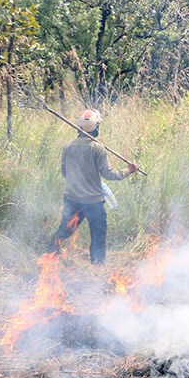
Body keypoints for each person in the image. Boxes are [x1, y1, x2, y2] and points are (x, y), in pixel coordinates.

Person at [50, 109, 139, 265]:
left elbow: (64, 172)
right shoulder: (97, 148)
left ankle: (50, 256)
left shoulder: (68, 147)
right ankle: (97, 268)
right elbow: (110, 174)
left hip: (72, 199)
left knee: (64, 231)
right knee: (98, 236)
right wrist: (129, 170)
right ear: (95, 127)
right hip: (93, 203)